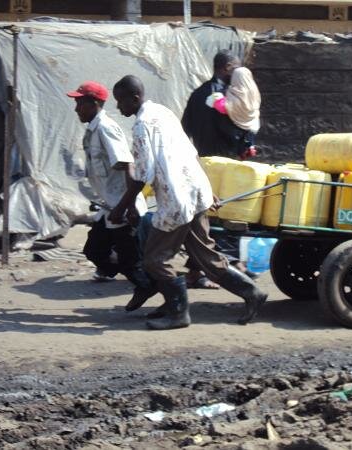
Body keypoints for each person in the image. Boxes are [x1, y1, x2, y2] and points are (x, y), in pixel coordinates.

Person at [109, 75, 268, 330]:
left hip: (177, 199)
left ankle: (178, 313)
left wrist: (123, 207)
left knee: (155, 260)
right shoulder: (163, 112)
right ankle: (253, 294)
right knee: (207, 257)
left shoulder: (141, 126)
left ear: (134, 98)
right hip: (195, 190)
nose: (118, 108)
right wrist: (206, 188)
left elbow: (142, 174)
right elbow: (190, 151)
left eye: (120, 102)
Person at [67, 81, 156, 306]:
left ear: (94, 103)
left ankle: (166, 295)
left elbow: (127, 165)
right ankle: (147, 281)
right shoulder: (93, 129)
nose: (77, 109)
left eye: (80, 103)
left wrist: (130, 207)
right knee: (94, 251)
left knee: (131, 264)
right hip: (109, 206)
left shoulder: (106, 128)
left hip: (122, 207)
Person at [181, 49, 255, 289]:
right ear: (225, 68)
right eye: (235, 68)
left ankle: (195, 271)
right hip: (225, 166)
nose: (238, 72)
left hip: (203, 163)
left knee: (203, 218)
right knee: (228, 216)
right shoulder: (222, 98)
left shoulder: (198, 93)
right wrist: (246, 143)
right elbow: (230, 131)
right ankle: (228, 268)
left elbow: (185, 128)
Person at [206, 66, 261, 161]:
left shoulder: (229, 96)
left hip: (227, 144)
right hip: (246, 141)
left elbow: (211, 103)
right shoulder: (255, 96)